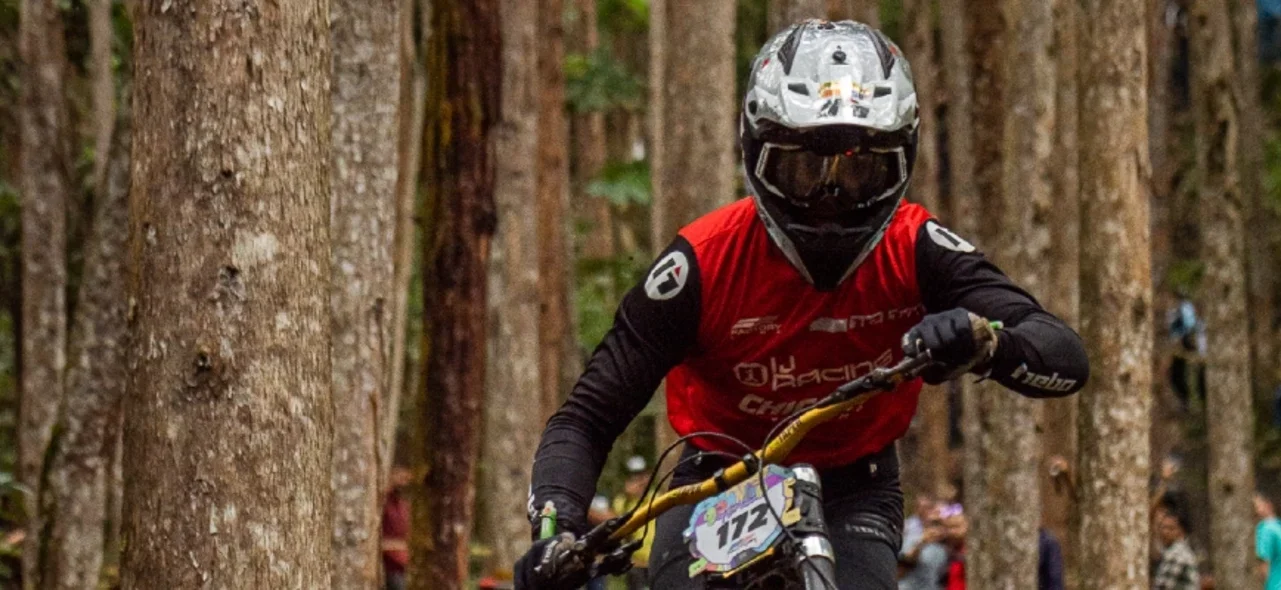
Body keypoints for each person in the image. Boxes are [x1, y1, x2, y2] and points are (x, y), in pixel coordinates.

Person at [514, 18, 1088, 590]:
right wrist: (554, 530)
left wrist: (984, 341)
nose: (829, 199)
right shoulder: (701, 263)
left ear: (901, 160)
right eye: (803, 168)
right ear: (757, 152)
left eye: (861, 170)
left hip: (852, 487)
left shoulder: (919, 248)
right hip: (717, 481)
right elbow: (588, 417)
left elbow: (1063, 353)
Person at [897, 500, 947, 590]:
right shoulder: (911, 539)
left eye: (938, 523)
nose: (935, 529)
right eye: (932, 524)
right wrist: (922, 543)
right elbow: (904, 564)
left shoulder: (945, 547)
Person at [1153, 507, 1199, 590]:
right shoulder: (1174, 551)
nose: (1165, 532)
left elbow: (1162, 587)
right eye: (1163, 527)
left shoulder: (1177, 553)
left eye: (1171, 529)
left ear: (1182, 532)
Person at [382, 466, 412, 590]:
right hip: (390, 566)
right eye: (399, 476)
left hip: (406, 565)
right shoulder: (384, 503)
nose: (402, 481)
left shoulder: (406, 505)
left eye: (406, 478)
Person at [1256, 492, 1281, 589]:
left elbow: (1263, 566)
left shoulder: (1266, 529)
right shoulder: (1278, 527)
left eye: (1255, 505)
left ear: (1268, 505)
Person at [939, 505, 967, 590]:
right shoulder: (947, 549)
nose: (952, 532)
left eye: (956, 527)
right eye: (948, 528)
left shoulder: (972, 550)